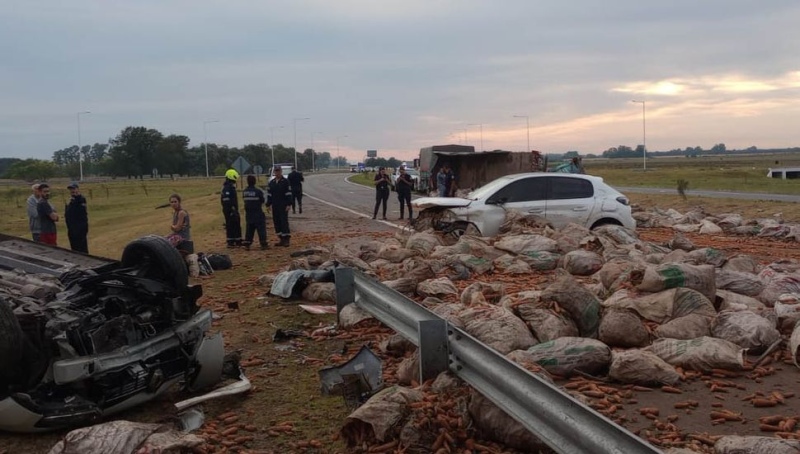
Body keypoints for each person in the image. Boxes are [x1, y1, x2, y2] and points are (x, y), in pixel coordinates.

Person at [266, 166, 293, 247]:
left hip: (283, 205)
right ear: (274, 172)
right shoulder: (272, 183)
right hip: (275, 205)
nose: (277, 172)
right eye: (276, 171)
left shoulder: (285, 181)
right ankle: (281, 239)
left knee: (284, 222)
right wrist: (268, 204)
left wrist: (289, 204)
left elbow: (288, 193)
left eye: (279, 171)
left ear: (281, 171)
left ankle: (286, 239)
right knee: (277, 222)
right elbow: (269, 195)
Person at [242, 174, 268, 250]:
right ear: (254, 182)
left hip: (249, 213)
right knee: (261, 229)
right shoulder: (258, 191)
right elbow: (262, 201)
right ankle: (263, 244)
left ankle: (247, 243)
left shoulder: (245, 191)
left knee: (249, 229)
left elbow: (244, 200)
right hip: (258, 212)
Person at [64, 182, 89, 253]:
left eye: (74, 188)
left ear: (78, 189)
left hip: (79, 228)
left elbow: (81, 212)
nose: (72, 191)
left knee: (81, 248)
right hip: (71, 228)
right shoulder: (72, 200)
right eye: (71, 189)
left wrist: (76, 197)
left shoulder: (81, 199)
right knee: (74, 248)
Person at [221, 169, 242, 248]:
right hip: (229, 210)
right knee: (231, 225)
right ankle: (232, 241)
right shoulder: (227, 188)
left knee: (235, 224)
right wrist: (232, 209)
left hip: (231, 209)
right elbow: (226, 200)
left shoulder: (229, 187)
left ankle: (237, 240)